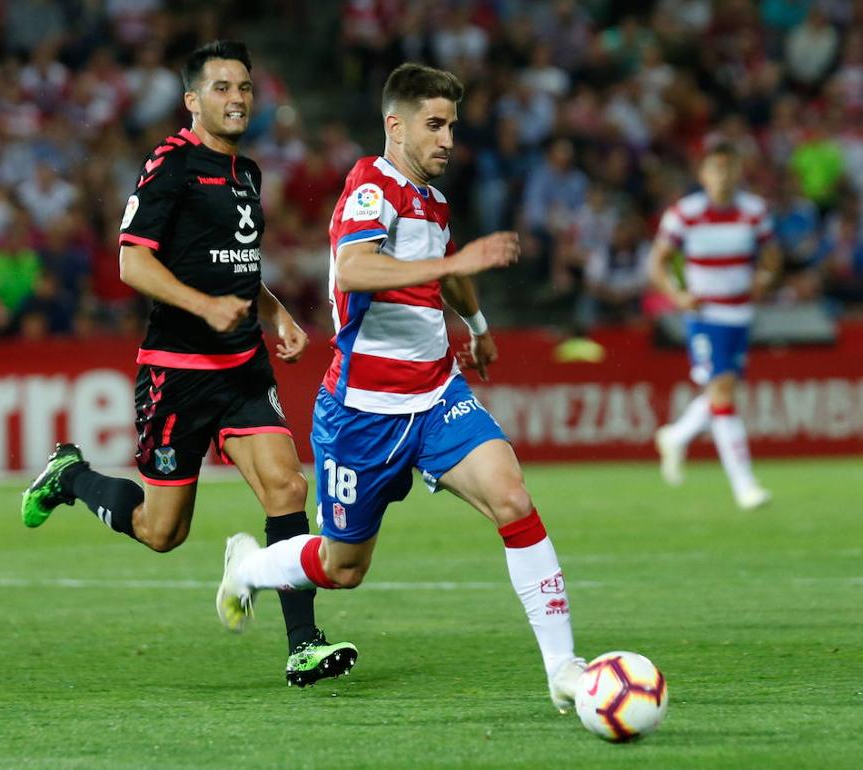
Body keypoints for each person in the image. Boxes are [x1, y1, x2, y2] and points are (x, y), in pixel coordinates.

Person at [215, 62, 588, 713]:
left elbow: (445, 276)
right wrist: (456, 261)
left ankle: (564, 670)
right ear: (397, 125)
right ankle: (248, 565)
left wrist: (476, 322)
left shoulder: (434, 203)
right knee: (342, 568)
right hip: (363, 414)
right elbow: (356, 269)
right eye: (434, 125)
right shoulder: (370, 185)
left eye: (452, 125)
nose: (447, 139)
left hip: (438, 395)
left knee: (512, 498)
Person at [19, 40, 356, 687]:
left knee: (288, 487)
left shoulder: (247, 174)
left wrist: (275, 310)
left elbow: (235, 265)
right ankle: (71, 476)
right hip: (177, 371)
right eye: (222, 88)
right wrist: (203, 306)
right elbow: (133, 261)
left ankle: (303, 644)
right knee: (161, 530)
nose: (236, 99)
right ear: (192, 101)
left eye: (244, 88)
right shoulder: (170, 165)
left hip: (242, 367)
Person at [648, 142, 780, 510]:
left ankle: (676, 435)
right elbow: (657, 262)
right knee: (722, 393)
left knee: (722, 389)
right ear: (703, 174)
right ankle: (745, 486)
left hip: (741, 314)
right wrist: (677, 296)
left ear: (739, 171)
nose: (723, 176)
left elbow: (772, 256)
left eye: (730, 168)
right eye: (716, 169)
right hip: (705, 316)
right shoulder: (685, 214)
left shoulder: (754, 211)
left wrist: (765, 278)